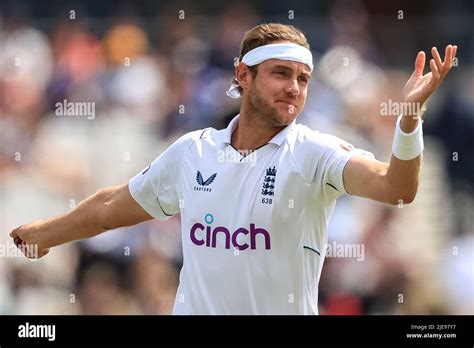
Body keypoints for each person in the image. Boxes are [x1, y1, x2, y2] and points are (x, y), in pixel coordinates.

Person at [10, 23, 457, 314]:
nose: (295, 89)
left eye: (303, 79)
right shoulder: (193, 152)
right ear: (242, 75)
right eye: (281, 74)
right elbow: (113, 205)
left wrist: (408, 118)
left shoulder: (313, 152)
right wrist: (46, 235)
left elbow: (397, 188)